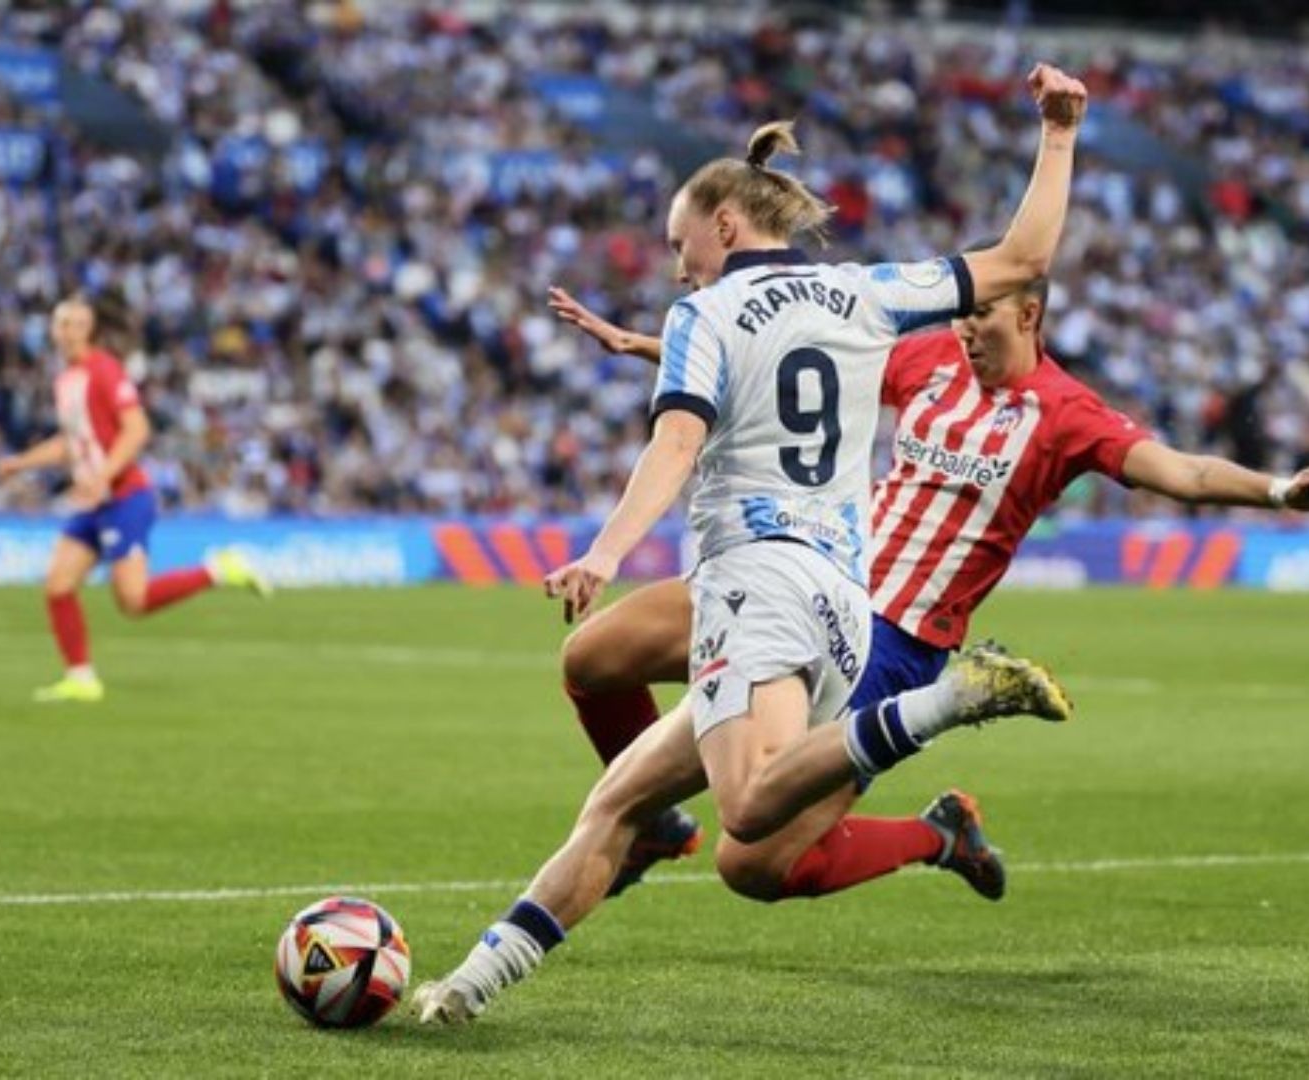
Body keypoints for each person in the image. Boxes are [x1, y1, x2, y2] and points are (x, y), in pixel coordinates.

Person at [413, 64, 1102, 1026]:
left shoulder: (703, 314)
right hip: (841, 605)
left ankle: (950, 702)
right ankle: (464, 991)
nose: (674, 263)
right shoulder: (864, 292)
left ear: (724, 226)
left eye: (678, 241)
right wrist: (1060, 132)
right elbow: (1023, 257)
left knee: (745, 814)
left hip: (756, 584)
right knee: (616, 805)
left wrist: (606, 553)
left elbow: (679, 441)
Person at [546, 269, 1309, 900]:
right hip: (801, 576)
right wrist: (652, 347)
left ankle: (940, 835)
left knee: (752, 867)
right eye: (963, 317)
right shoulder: (929, 360)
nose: (968, 333)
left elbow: (1182, 470)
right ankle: (650, 821)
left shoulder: (1067, 414)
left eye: (985, 320)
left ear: (1030, 315)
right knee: (594, 656)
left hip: (894, 650)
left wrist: (1280, 490)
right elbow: (795, 364)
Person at [0, 295, 269, 703]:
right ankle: (81, 678)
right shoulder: (66, 381)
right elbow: (72, 444)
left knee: (134, 601)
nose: (64, 331)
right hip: (94, 500)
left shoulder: (105, 370)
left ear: (89, 330)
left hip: (125, 497)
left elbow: (136, 430)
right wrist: (21, 462)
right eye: (59, 323)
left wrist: (102, 475)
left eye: (73, 323)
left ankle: (219, 570)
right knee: (58, 585)